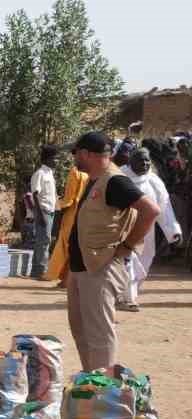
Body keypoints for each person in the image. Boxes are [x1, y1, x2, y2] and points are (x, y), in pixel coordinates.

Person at [65, 131, 162, 371]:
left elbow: (150, 210)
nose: (74, 157)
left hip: (100, 267)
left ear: (87, 154)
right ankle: (89, 385)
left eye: (76, 153)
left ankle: (103, 391)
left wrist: (127, 246)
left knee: (98, 334)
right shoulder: (94, 180)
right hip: (82, 267)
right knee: (81, 330)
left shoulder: (115, 181)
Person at [121, 146, 182, 309]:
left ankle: (128, 294)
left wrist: (173, 231)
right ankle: (128, 298)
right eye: (141, 159)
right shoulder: (119, 178)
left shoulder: (154, 180)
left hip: (147, 232)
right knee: (127, 262)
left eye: (147, 160)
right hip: (124, 230)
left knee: (144, 262)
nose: (145, 163)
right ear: (130, 160)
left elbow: (164, 207)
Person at [45, 150, 90, 285]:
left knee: (65, 246)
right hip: (85, 214)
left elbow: (69, 199)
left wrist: (58, 204)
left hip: (72, 213)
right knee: (76, 246)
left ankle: (64, 279)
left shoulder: (75, 172)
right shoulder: (91, 173)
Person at [28, 145, 60, 278]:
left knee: (44, 240)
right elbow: (35, 194)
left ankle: (36, 271)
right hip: (43, 211)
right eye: (55, 158)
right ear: (48, 159)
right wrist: (39, 214)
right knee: (44, 240)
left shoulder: (50, 174)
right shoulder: (39, 174)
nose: (56, 161)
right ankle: (41, 270)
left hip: (51, 211)